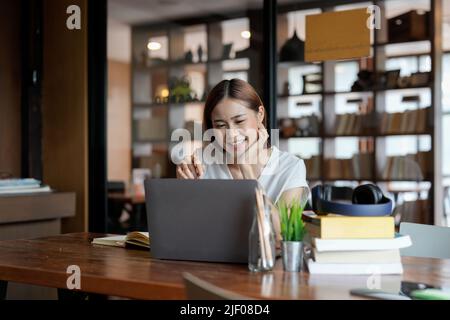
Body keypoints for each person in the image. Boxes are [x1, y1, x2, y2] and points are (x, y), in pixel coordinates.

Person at [176, 78, 309, 206]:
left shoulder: (290, 168)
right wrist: (182, 188)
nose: (231, 134)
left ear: (260, 115)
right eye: (221, 125)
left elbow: (279, 228)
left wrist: (246, 169)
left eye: (239, 121)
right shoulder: (201, 164)